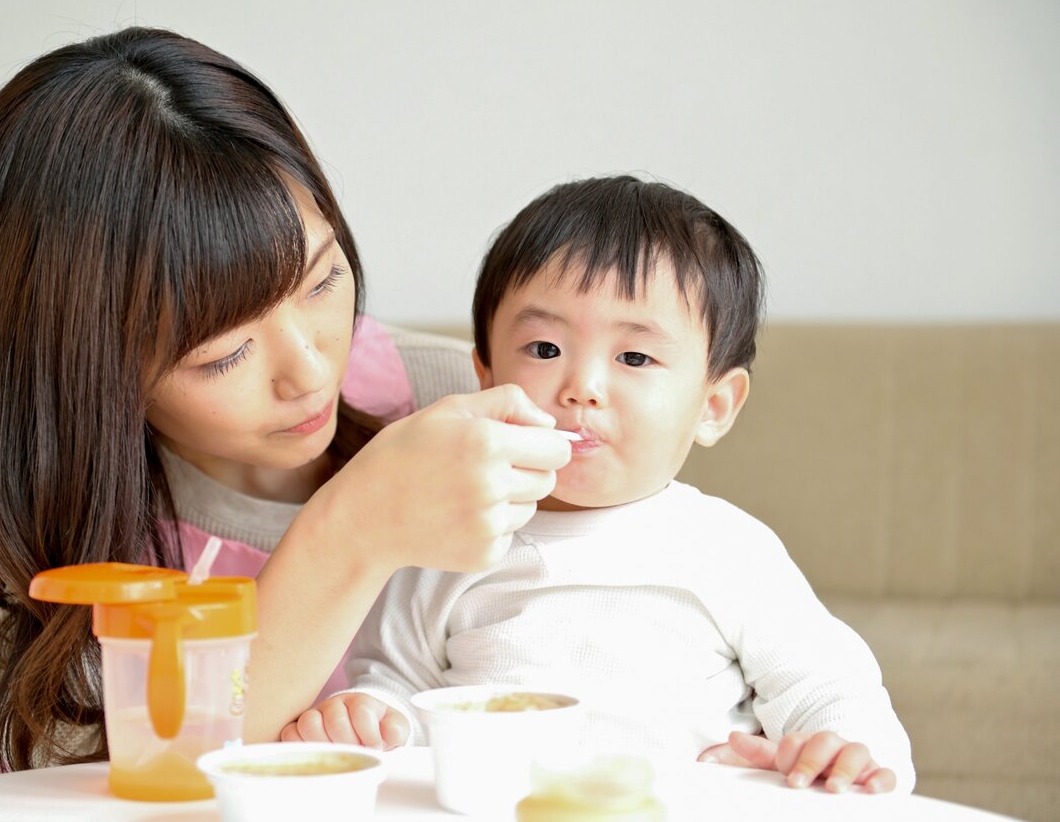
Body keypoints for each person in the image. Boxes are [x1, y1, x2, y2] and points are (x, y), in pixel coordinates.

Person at [0, 26, 574, 773]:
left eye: (322, 281)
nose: (311, 369)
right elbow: (105, 774)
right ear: (80, 369)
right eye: (223, 353)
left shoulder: (468, 401)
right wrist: (353, 530)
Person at [281, 176, 917, 794]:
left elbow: (828, 691)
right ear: (485, 373)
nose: (580, 385)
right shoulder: (443, 543)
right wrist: (364, 717)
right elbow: (395, 689)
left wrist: (838, 751)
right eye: (544, 349)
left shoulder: (728, 550)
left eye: (634, 358)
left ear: (714, 406)